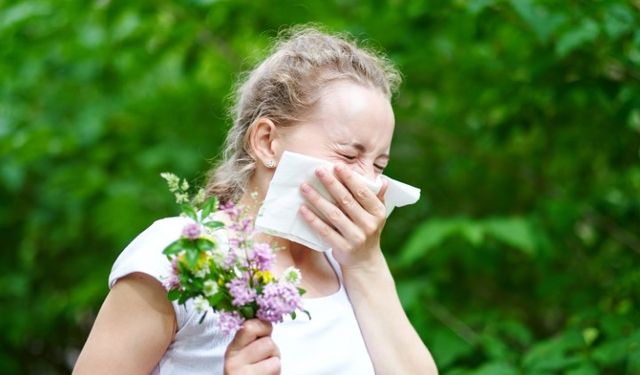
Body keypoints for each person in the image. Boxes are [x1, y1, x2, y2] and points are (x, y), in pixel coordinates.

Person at [74, 26, 438, 375]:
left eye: (379, 165)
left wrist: (365, 263)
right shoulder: (180, 254)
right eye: (347, 155)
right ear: (266, 142)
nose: (367, 182)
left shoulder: (348, 265)